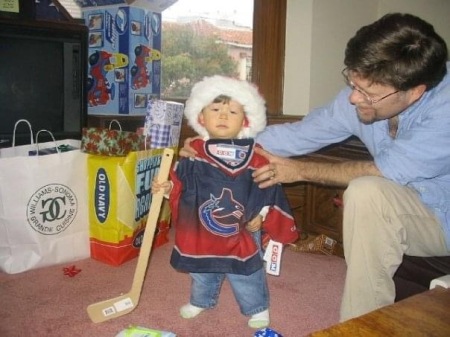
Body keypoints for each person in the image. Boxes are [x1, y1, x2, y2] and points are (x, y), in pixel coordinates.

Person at [249, 13, 450, 321]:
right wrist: (212, 145)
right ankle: (364, 321)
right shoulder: (360, 98)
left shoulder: (445, 107)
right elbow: (298, 134)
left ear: (415, 91)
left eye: (368, 92)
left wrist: (299, 171)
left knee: (368, 190)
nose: (354, 98)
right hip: (415, 207)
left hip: (444, 218)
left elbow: (388, 169)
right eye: (353, 81)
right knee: (370, 193)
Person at [152, 75, 299, 328]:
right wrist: (167, 187)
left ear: (246, 120)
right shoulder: (193, 153)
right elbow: (181, 183)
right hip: (200, 230)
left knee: (245, 272)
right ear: (201, 117)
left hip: (240, 228)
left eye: (232, 111)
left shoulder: (256, 156)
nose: (222, 116)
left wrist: (261, 215)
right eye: (215, 109)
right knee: (202, 270)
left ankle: (257, 307)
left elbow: (268, 189)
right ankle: (201, 300)